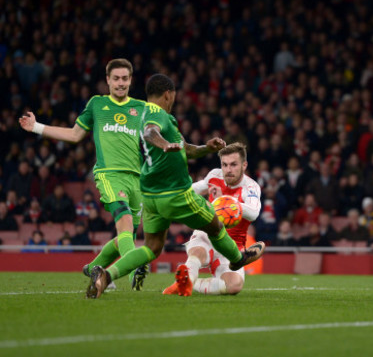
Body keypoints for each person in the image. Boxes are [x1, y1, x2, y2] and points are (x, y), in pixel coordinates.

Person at [85, 74, 264, 299]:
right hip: (175, 192)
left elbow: (186, 148)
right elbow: (151, 132)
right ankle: (239, 259)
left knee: (151, 247)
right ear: (169, 95)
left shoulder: (142, 115)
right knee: (216, 224)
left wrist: (206, 148)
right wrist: (164, 144)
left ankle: (105, 275)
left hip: (150, 195)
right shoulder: (157, 114)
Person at [19, 58, 149, 290]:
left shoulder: (141, 108)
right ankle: (131, 272)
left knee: (125, 236)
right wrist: (37, 127)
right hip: (109, 174)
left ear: (131, 80)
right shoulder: (97, 105)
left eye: (125, 79)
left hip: (136, 178)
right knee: (125, 223)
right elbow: (75, 135)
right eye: (116, 78)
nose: (120, 83)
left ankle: (93, 269)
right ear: (107, 80)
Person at [163, 142, 262, 296]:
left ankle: (188, 282)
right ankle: (187, 280)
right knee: (198, 252)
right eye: (225, 164)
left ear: (244, 165)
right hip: (207, 234)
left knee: (233, 286)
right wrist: (174, 191)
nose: (228, 170)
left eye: (234, 165)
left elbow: (254, 212)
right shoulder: (215, 175)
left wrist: (226, 203)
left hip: (230, 248)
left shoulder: (251, 187)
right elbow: (194, 189)